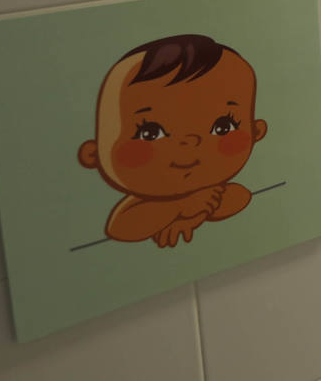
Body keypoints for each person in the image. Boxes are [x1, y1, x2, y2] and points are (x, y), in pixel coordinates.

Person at [78, 34, 268, 247]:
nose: (190, 142)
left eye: (223, 127)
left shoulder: (212, 191)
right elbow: (121, 227)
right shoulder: (143, 204)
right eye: (149, 133)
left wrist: (189, 218)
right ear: (93, 154)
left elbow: (239, 197)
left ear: (255, 132)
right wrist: (181, 208)